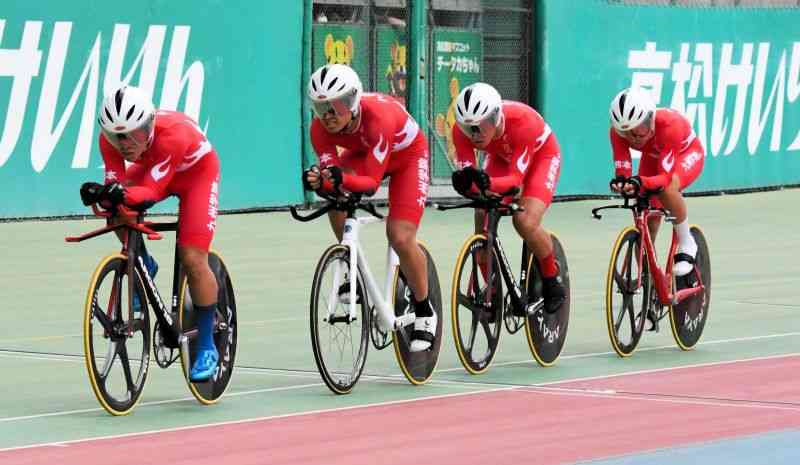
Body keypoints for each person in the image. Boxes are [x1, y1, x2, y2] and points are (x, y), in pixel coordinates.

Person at [79, 85, 221, 381]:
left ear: (150, 125)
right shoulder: (110, 142)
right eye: (118, 137)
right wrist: (102, 195)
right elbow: (115, 185)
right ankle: (143, 262)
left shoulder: (173, 136)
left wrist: (116, 195)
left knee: (192, 258)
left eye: (136, 134)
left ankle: (207, 345)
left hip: (196, 176)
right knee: (115, 208)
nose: (127, 144)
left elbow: (150, 192)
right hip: (156, 171)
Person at [303, 64, 435, 352]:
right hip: (366, 154)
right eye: (320, 106)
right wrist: (319, 182)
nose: (328, 115)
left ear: (352, 101)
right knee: (336, 197)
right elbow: (333, 176)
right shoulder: (319, 129)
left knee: (400, 235)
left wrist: (339, 178)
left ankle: (425, 311)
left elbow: (371, 183)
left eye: (336, 106)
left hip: (407, 159)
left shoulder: (378, 119)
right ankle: (351, 270)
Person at [449, 82, 565, 314]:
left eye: (479, 126)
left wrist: (486, 183)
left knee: (525, 221)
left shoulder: (523, 122)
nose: (474, 134)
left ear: (495, 118)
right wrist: (469, 184)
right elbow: (471, 178)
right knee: (482, 214)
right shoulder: (461, 133)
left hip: (542, 158)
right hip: (502, 157)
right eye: (467, 127)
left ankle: (553, 279)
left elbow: (514, 180)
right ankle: (492, 292)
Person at [608, 87, 705, 279]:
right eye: (625, 131)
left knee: (666, 189)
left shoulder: (671, 125)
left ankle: (686, 241)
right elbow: (623, 166)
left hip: (685, 155)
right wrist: (622, 182)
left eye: (639, 128)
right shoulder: (618, 133)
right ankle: (650, 280)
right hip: (653, 158)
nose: (634, 136)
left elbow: (665, 177)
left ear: (651, 118)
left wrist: (639, 181)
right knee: (647, 218)